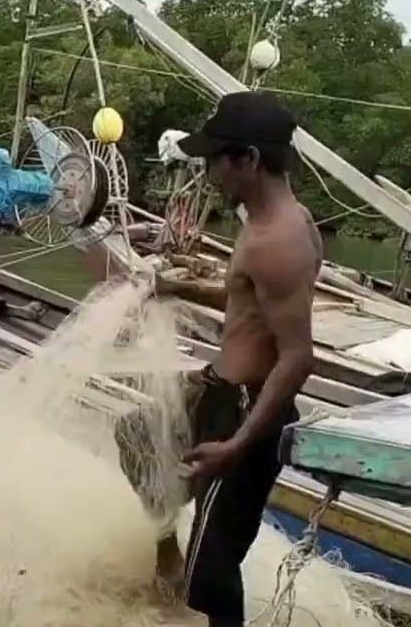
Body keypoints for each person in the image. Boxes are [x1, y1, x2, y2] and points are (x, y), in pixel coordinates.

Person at [113, 91, 320, 627]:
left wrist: (237, 445)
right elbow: (248, 301)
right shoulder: (263, 222)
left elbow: (297, 358)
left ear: (248, 159)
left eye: (214, 161)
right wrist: (173, 285)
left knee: (213, 574)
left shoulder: (280, 241)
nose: (207, 174)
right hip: (220, 389)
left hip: (250, 413)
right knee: (135, 436)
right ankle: (167, 554)